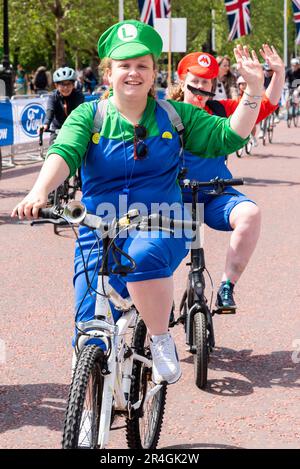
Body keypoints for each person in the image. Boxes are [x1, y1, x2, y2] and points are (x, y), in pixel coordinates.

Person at [12, 20, 266, 386]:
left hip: (163, 224)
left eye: (142, 65)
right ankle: (89, 409)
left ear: (153, 74)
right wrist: (39, 191)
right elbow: (64, 151)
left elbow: (229, 136)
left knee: (144, 259)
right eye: (124, 65)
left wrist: (253, 91)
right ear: (108, 73)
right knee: (88, 327)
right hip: (99, 229)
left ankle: (161, 338)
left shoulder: (177, 116)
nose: (133, 73)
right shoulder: (89, 115)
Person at [168, 45, 285, 313]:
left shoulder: (220, 109)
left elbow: (265, 106)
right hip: (173, 197)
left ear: (213, 84)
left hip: (214, 194)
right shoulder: (166, 112)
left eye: (205, 82)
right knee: (160, 249)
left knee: (250, 214)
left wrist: (277, 74)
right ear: (183, 82)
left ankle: (226, 286)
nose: (199, 88)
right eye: (194, 81)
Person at [41, 67, 85, 144]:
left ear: (73, 84)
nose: (66, 87)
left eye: (69, 84)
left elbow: (80, 114)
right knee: (52, 151)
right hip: (57, 130)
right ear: (56, 85)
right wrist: (45, 124)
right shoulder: (53, 97)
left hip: (74, 129)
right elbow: (50, 111)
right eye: (62, 84)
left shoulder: (79, 96)